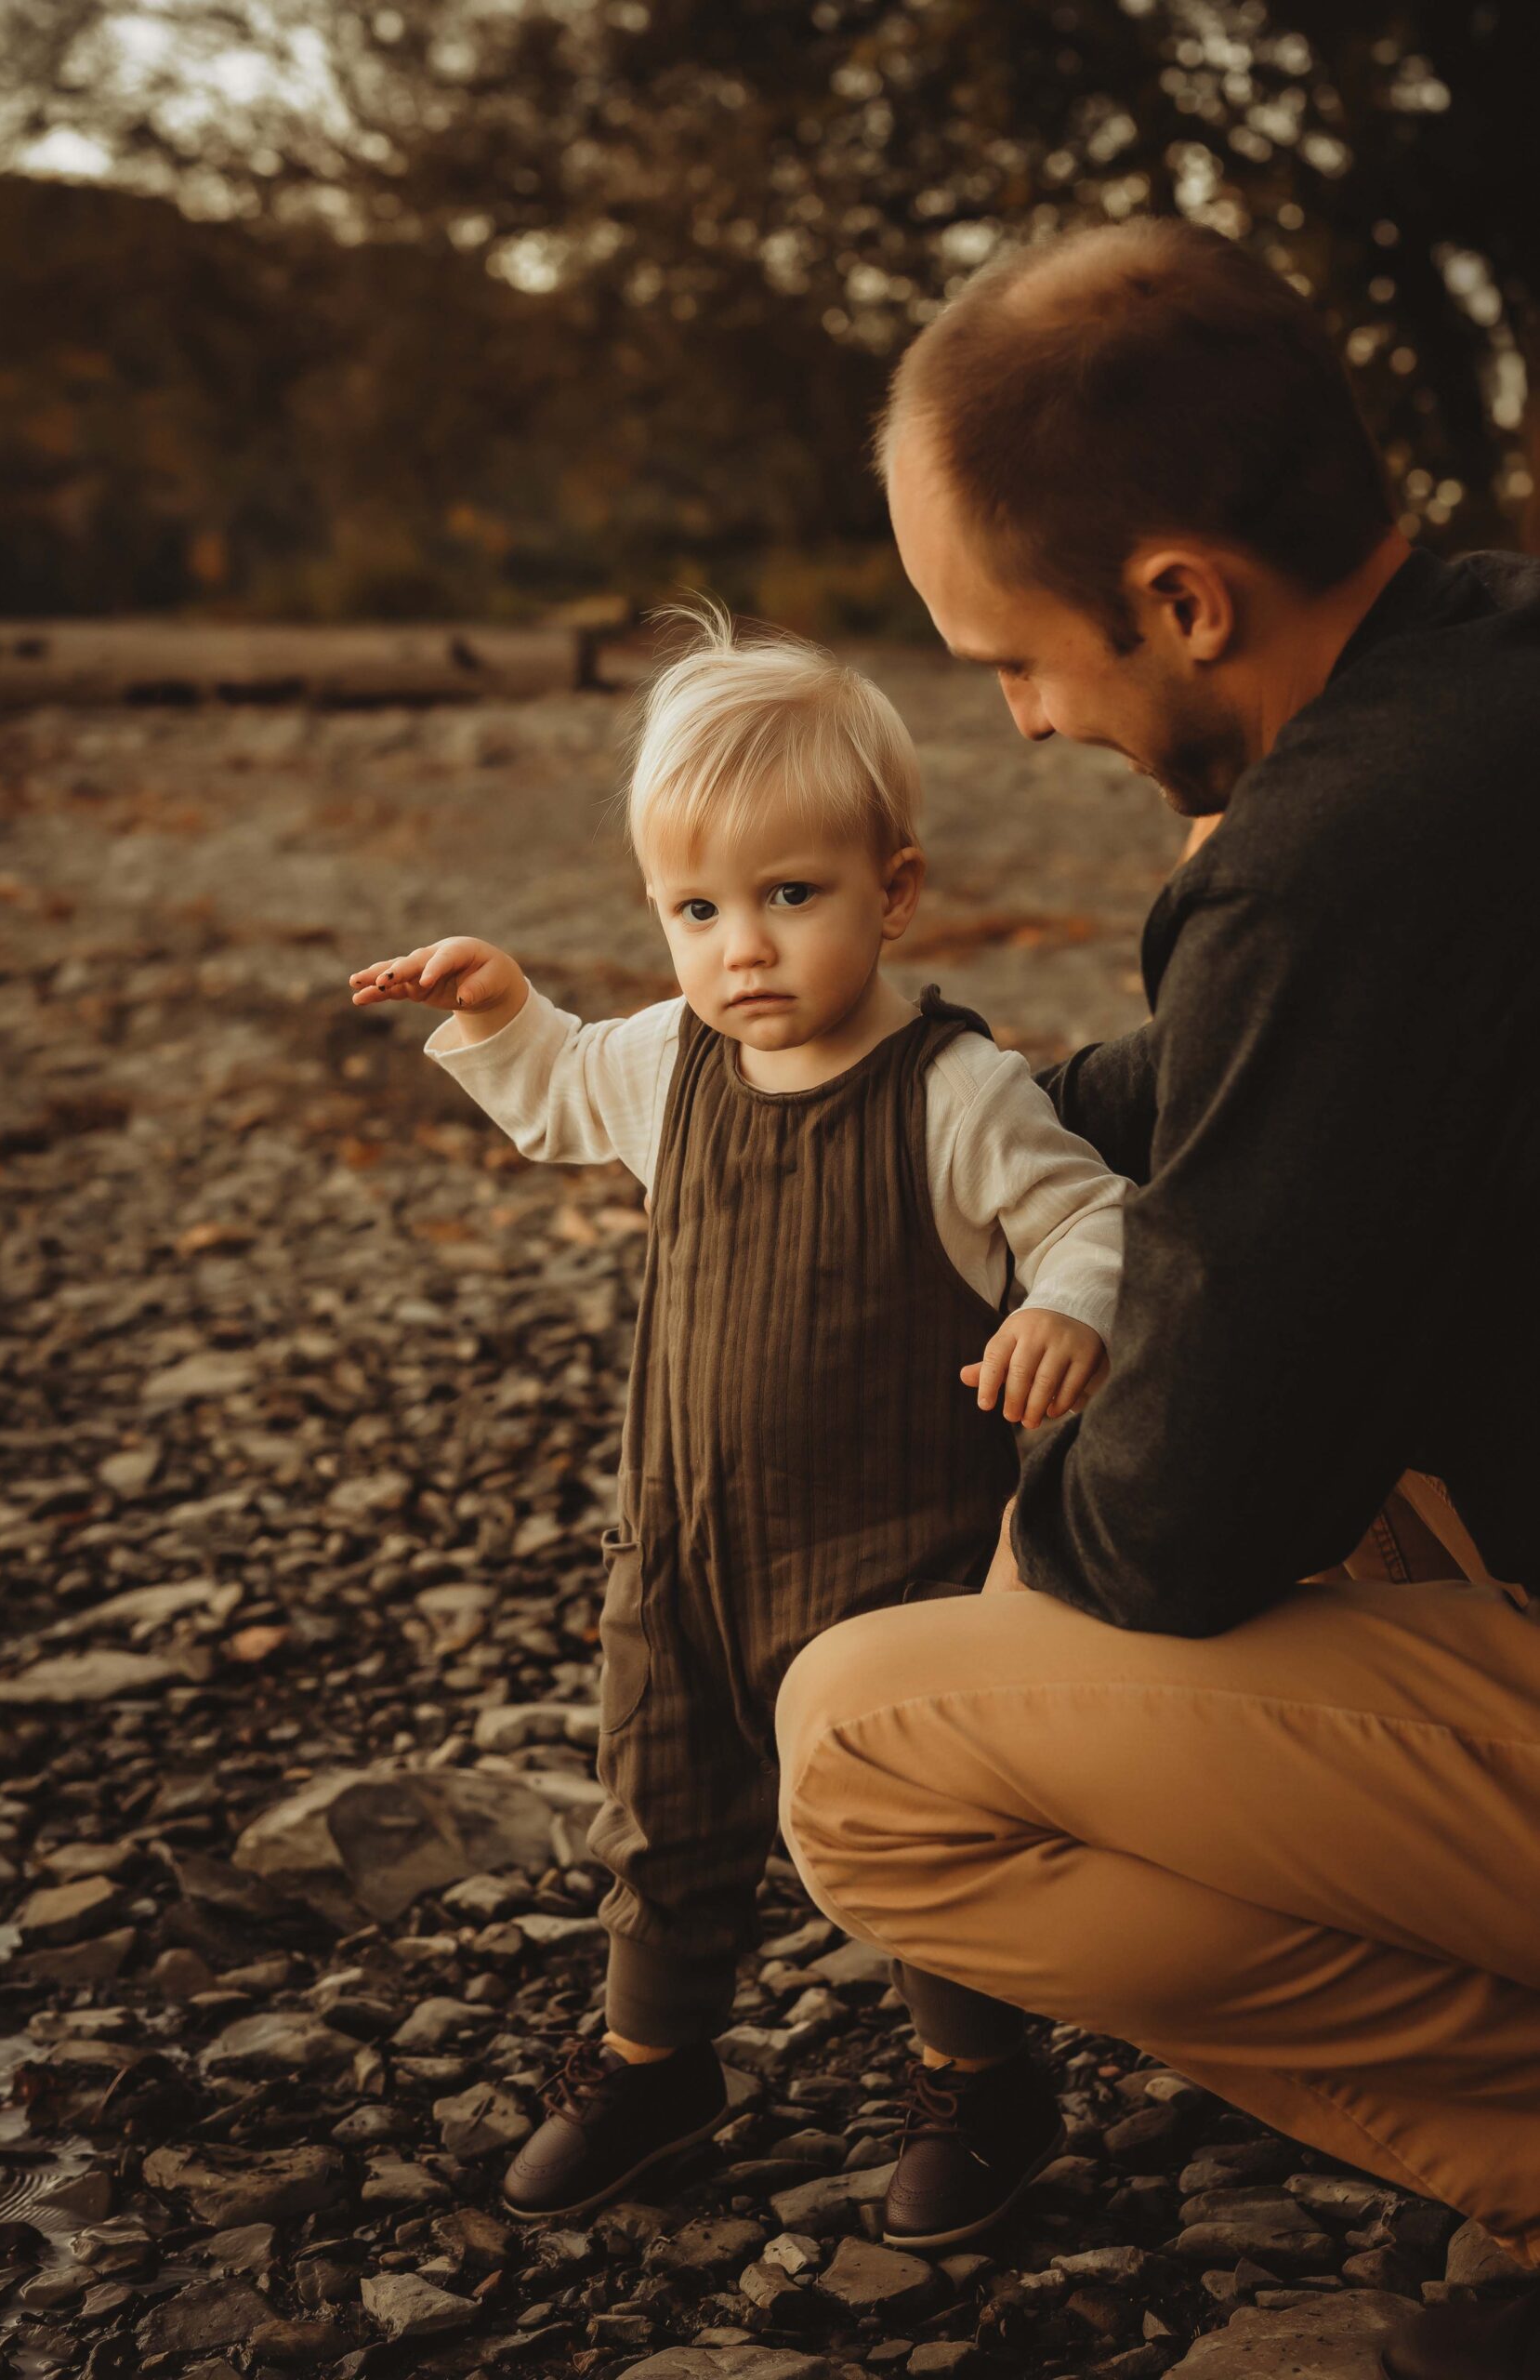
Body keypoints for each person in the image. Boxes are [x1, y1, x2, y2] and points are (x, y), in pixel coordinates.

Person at [773, 218, 1540, 2378]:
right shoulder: (1482, 671)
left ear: (1181, 597)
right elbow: (1254, 1094)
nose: (1018, 716)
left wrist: (1011, 1466)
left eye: (1013, 656)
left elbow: (1173, 1527)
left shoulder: (1327, 852)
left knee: (864, 1745)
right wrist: (952, 1105)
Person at [348, 609, 1132, 2239]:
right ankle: (657, 2060)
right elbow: (563, 1086)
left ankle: (982, 2086)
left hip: (900, 1573)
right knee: (667, 1805)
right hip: (682, 1552)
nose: (742, 951)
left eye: (790, 897)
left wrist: (1064, 1306)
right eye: (696, 910)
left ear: (893, 890)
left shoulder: (948, 1093)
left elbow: (1090, 1217)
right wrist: (501, 1011)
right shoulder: (674, 1060)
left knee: (924, 1827)